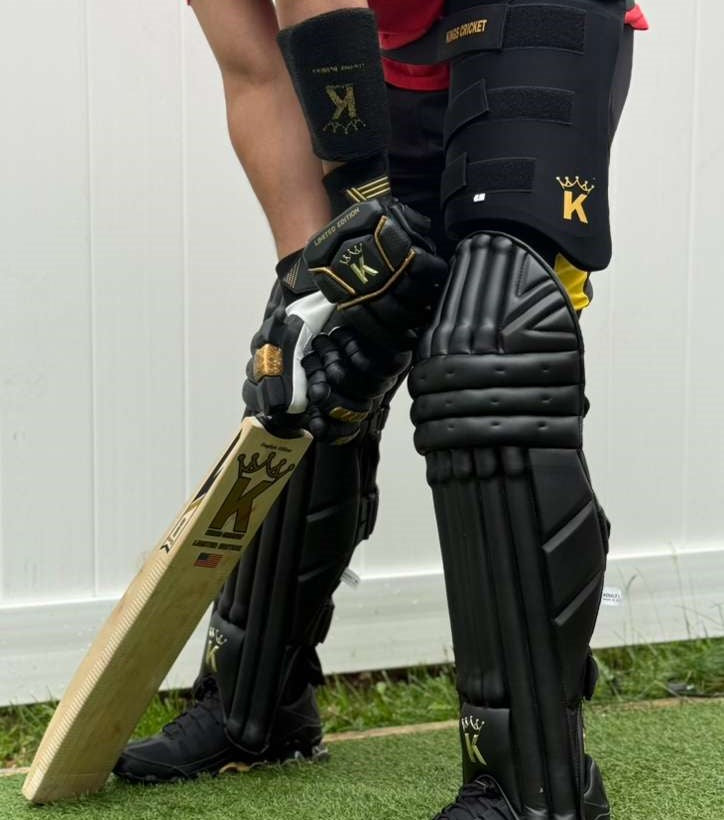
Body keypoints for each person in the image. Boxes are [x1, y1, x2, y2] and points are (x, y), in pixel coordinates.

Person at [115, 2, 647, 817]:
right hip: (383, 69)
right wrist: (319, 278)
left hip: (528, 20)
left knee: (488, 349)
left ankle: (534, 785)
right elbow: (257, 74)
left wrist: (366, 215)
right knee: (316, 357)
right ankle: (254, 707)